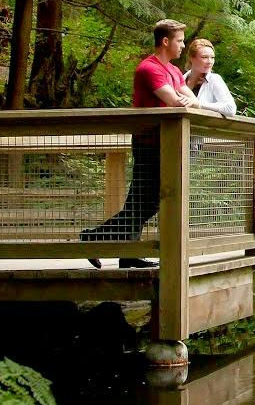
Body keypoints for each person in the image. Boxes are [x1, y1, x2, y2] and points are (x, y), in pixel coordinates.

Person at [83, 18, 195, 267]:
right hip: (149, 142)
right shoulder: (149, 68)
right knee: (146, 201)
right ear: (165, 41)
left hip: (165, 142)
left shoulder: (175, 71)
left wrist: (187, 100)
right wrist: (184, 100)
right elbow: (175, 101)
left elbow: (193, 101)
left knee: (145, 202)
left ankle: (120, 251)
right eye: (179, 41)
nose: (182, 45)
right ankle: (96, 240)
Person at [182, 37, 237, 117]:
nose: (209, 62)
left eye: (212, 57)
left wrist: (199, 104)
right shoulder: (181, 79)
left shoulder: (214, 79)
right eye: (204, 57)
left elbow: (230, 109)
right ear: (191, 58)